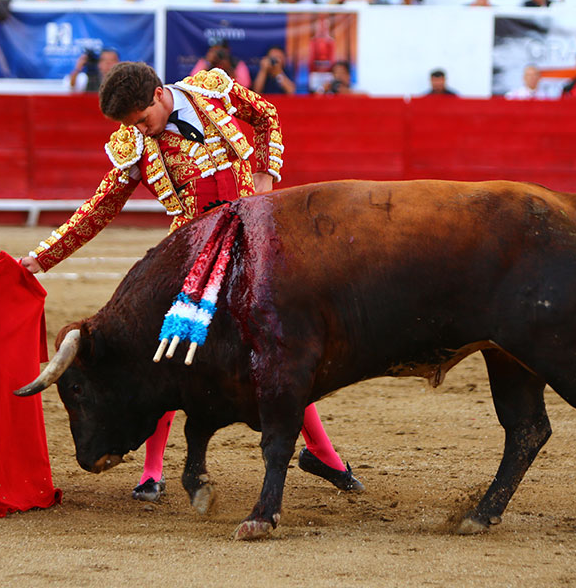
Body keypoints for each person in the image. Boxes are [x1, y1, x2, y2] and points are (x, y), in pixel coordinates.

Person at [18, 62, 364, 502]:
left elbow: (266, 116)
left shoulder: (210, 89)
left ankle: (323, 454)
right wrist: (43, 257)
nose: (141, 131)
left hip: (254, 247)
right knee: (167, 351)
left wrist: (265, 172)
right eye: (133, 126)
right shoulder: (135, 145)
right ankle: (151, 472)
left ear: (160, 95)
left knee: (278, 351)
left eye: (144, 120)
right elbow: (100, 207)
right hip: (191, 259)